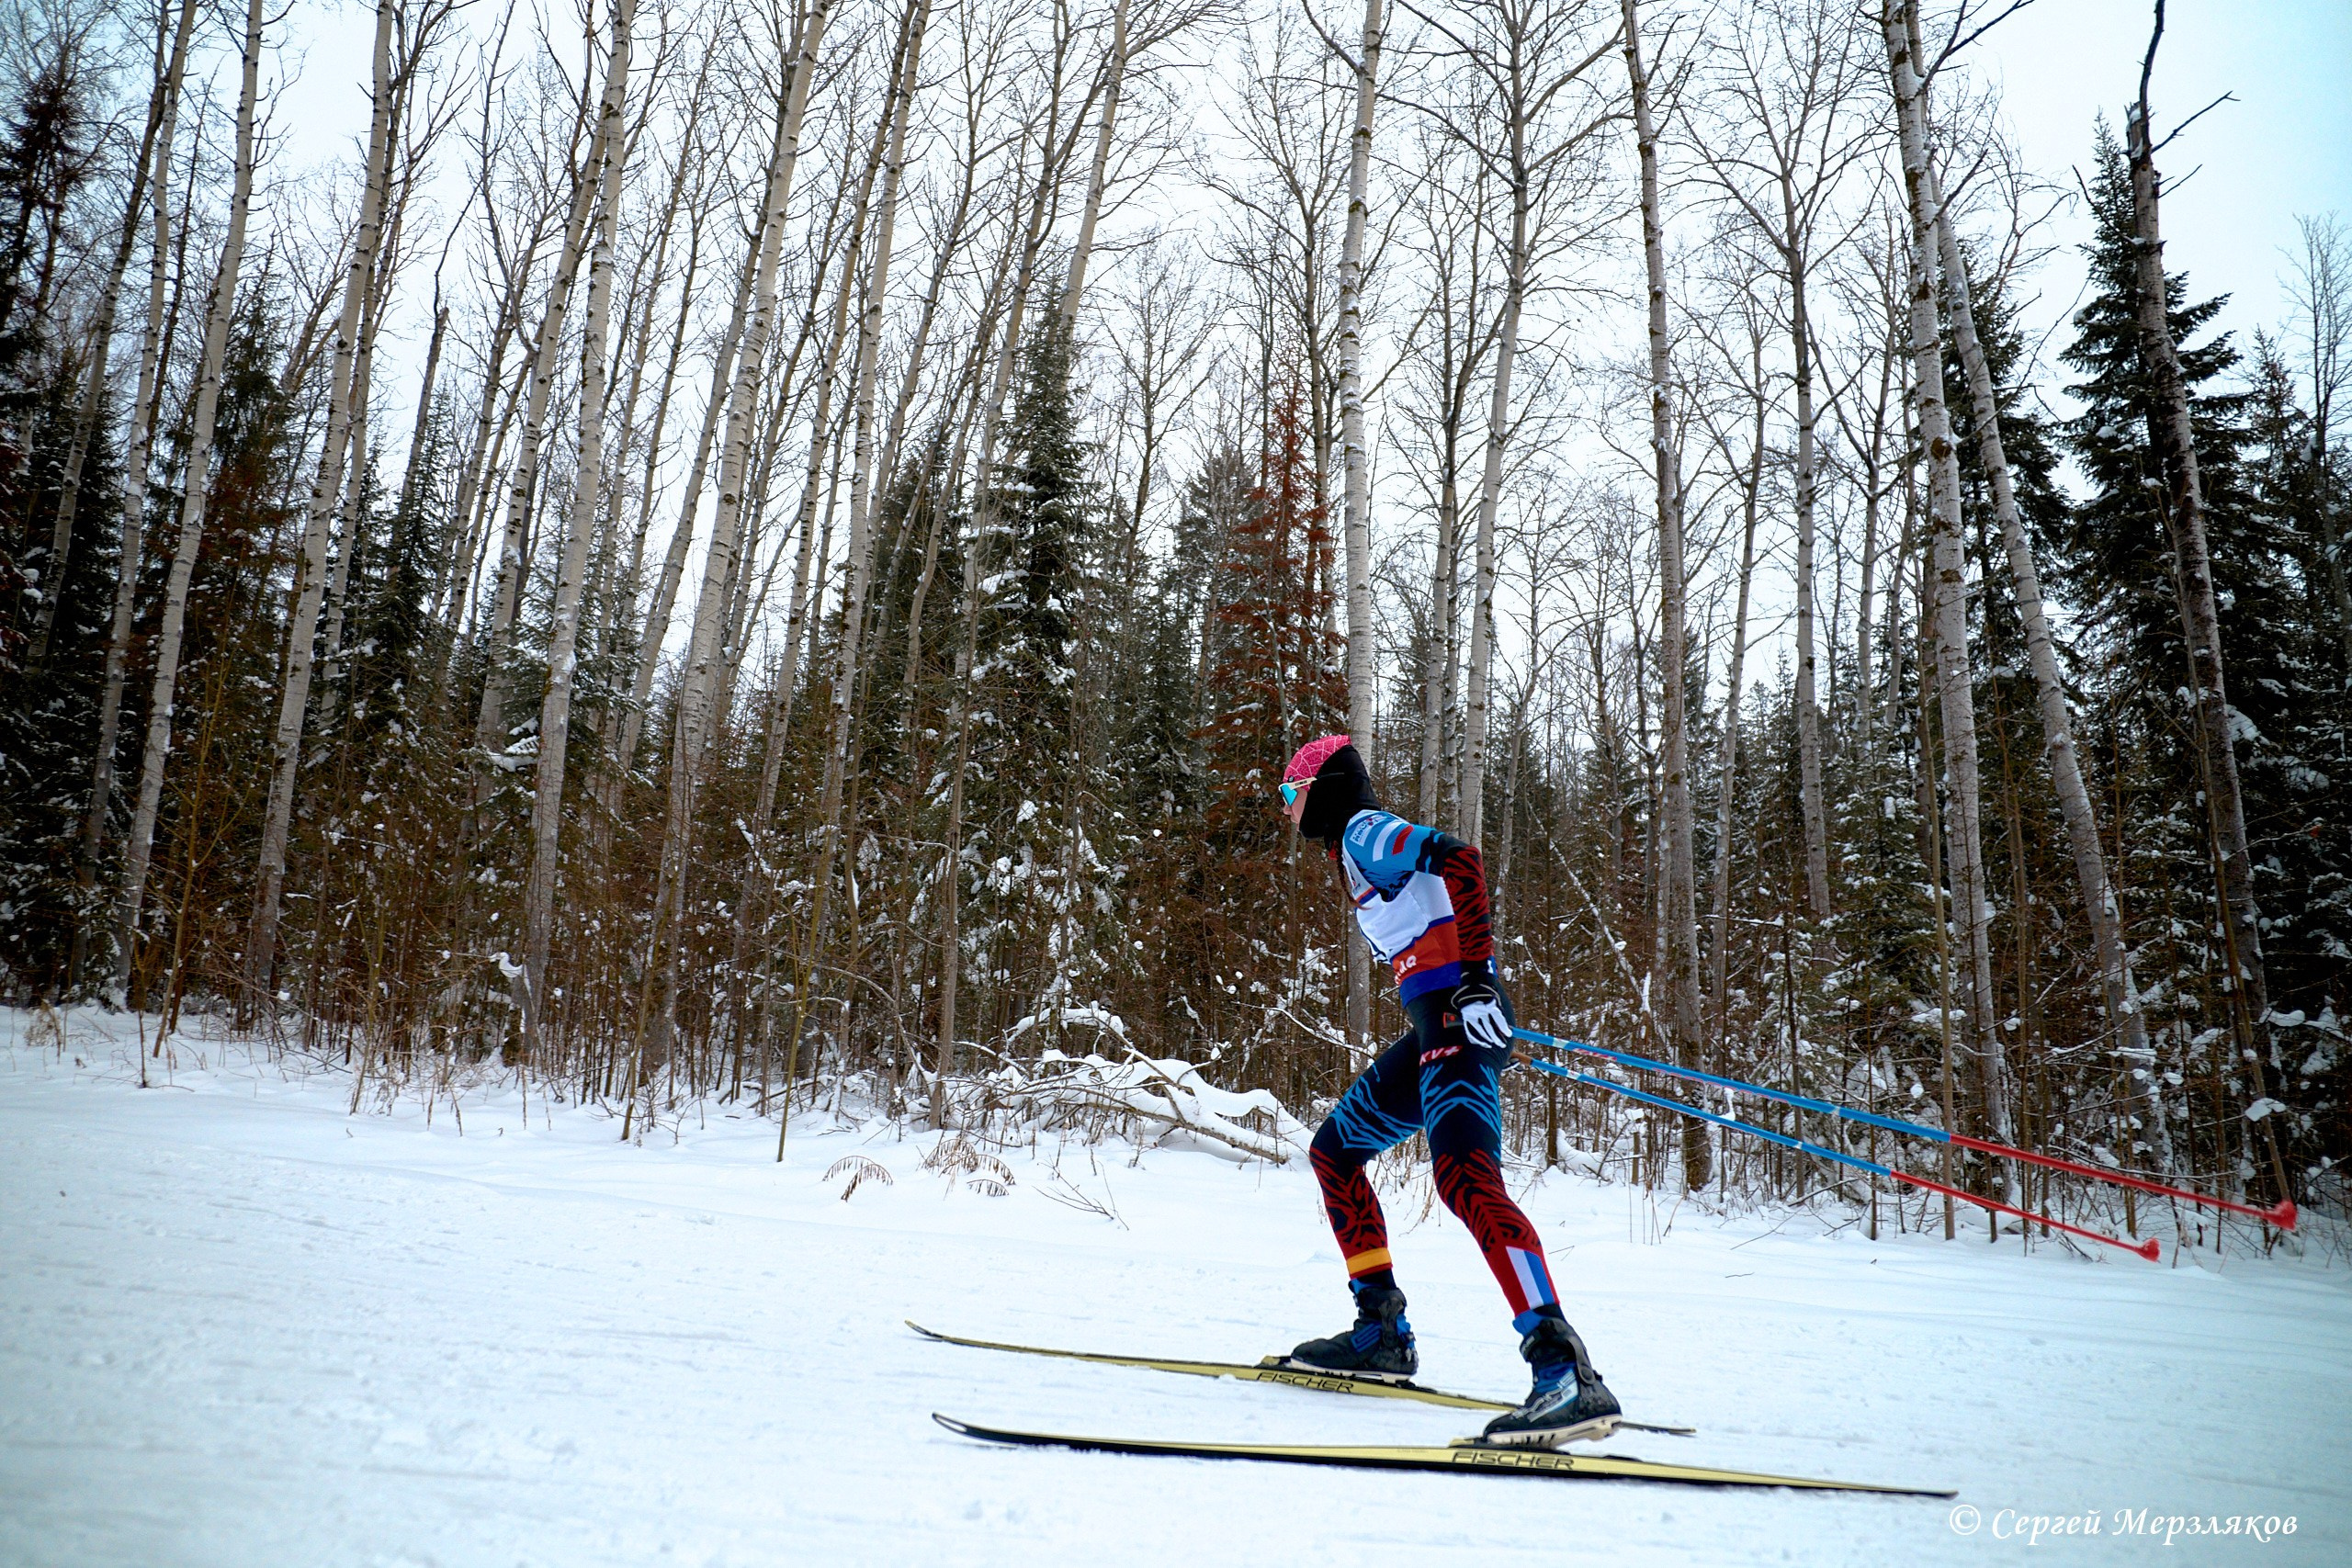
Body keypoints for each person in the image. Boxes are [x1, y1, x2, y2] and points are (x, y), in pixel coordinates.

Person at [1273, 732, 1622, 1447]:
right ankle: (1381, 1332)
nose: (1287, 809)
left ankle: (1564, 1371)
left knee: (1465, 1179)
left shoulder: (1364, 829)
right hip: (1438, 1025)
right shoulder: (1351, 849)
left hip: (1461, 1017)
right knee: (1335, 1153)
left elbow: (1460, 856)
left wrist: (1478, 977)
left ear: (1322, 787)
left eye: (1290, 792)